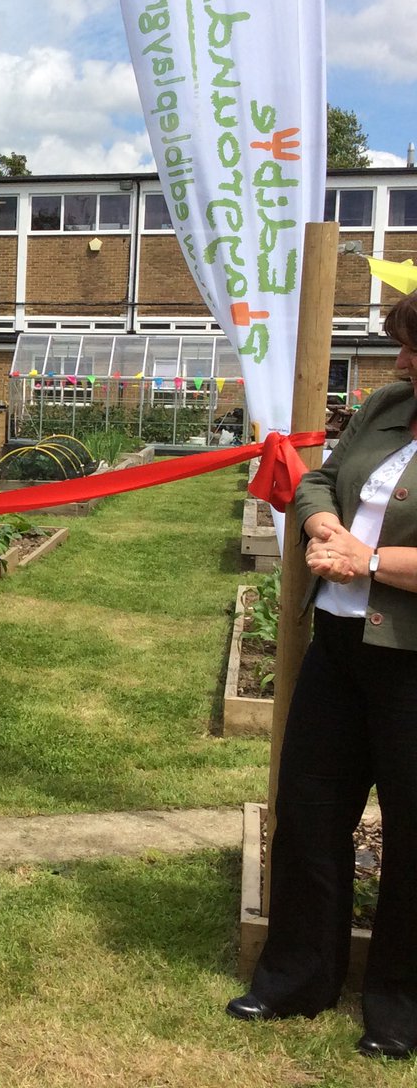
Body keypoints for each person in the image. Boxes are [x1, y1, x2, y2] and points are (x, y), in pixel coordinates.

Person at [227, 292, 417, 1059]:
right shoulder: (388, 406)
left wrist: (367, 561)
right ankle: (298, 978)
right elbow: (318, 478)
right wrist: (322, 522)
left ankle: (400, 1006)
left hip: (410, 663)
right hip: (339, 646)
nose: (400, 360)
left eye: (414, 349)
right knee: (308, 810)